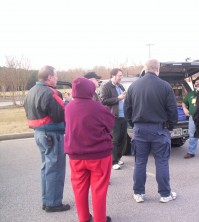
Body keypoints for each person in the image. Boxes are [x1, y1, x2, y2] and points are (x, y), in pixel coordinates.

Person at [124, 59, 178, 203]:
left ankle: (138, 193)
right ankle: (165, 194)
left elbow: (127, 109)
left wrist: (133, 124)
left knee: (140, 162)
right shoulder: (165, 86)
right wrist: (171, 127)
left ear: (145, 69)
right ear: (158, 69)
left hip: (139, 129)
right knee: (161, 162)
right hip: (159, 130)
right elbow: (172, 110)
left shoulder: (133, 86)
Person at [64, 77, 114, 222]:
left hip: (76, 156)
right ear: (90, 90)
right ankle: (100, 219)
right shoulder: (98, 107)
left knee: (79, 189)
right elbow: (110, 125)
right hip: (99, 155)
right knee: (99, 189)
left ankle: (84, 218)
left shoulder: (69, 108)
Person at [24, 65, 70, 212]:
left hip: (39, 134)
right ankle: (53, 203)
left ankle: (47, 200)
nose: (57, 78)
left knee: (46, 169)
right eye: (55, 76)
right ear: (49, 77)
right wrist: (69, 102)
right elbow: (60, 115)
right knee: (55, 169)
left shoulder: (31, 91)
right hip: (51, 135)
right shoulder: (50, 93)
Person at [100, 68, 127, 170]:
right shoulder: (106, 86)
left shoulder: (120, 86)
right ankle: (113, 161)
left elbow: (124, 97)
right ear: (113, 76)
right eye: (119, 75)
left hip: (123, 116)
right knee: (114, 140)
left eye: (121, 76)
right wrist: (118, 98)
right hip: (113, 117)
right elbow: (103, 101)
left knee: (122, 139)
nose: (121, 78)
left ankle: (118, 157)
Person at [182, 76, 199, 159]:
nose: (198, 83)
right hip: (193, 118)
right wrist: (185, 109)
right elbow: (184, 103)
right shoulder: (191, 94)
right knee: (192, 135)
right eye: (196, 82)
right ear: (194, 84)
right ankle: (191, 152)